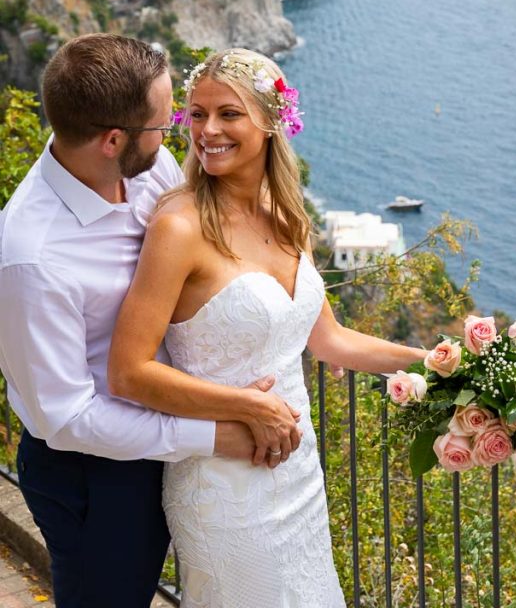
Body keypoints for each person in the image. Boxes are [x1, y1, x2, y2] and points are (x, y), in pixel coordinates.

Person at [109, 48, 426, 608]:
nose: (208, 130)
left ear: (271, 121)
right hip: (224, 483)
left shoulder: (287, 216)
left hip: (297, 473)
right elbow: (128, 373)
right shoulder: (178, 227)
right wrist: (247, 407)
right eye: (197, 114)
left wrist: (433, 362)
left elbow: (329, 340)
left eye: (228, 114)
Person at [0, 34, 305, 608]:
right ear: (113, 140)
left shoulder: (146, 165)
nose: (178, 138)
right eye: (165, 126)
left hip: (172, 438)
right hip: (92, 473)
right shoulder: (31, 259)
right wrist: (213, 435)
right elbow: (67, 419)